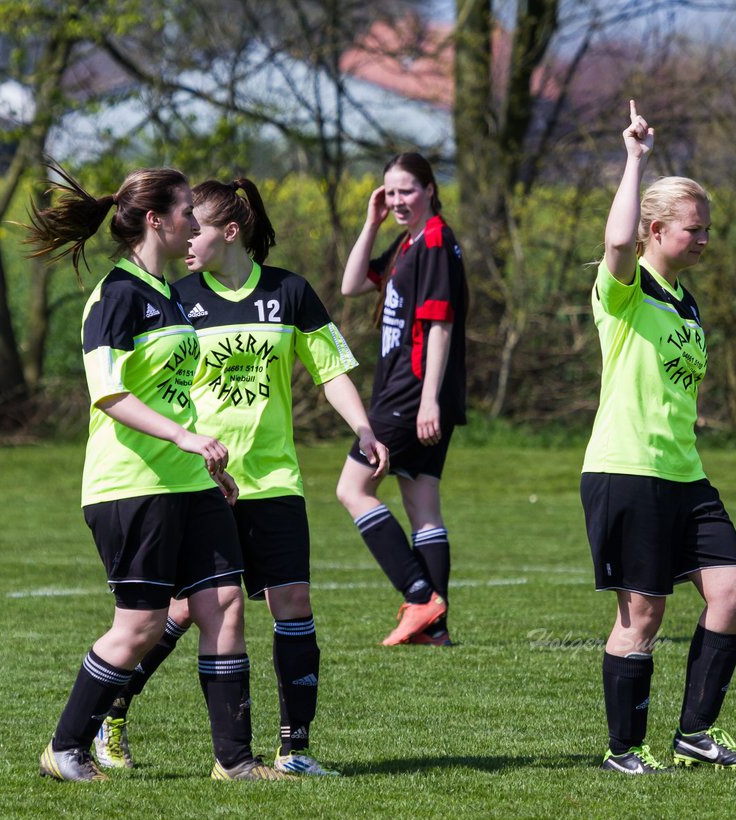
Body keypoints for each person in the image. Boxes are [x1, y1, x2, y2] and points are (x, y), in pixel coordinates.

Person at [92, 177, 389, 777]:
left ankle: (295, 749)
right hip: (200, 481)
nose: (187, 238)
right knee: (179, 612)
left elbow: (330, 370)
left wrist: (362, 428)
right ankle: (111, 715)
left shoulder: (291, 292)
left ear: (231, 232)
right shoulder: (174, 301)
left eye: (196, 227)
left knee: (294, 603)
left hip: (274, 479)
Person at [21, 165, 287, 782]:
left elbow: (170, 393)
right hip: (131, 486)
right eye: (187, 211)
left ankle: (235, 763)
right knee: (139, 625)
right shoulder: (116, 294)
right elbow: (109, 393)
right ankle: (64, 750)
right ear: (155, 220)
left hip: (188, 483)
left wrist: (204, 461)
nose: (195, 222)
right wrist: (185, 436)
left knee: (223, 603)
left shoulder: (165, 292)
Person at [581, 102, 736, 774]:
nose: (705, 238)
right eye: (694, 228)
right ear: (657, 229)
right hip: (628, 471)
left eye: (708, 227)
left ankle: (694, 734)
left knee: (733, 590)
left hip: (684, 474)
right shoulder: (627, 289)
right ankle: (623, 750)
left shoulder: (685, 301)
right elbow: (617, 244)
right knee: (643, 615)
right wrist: (634, 158)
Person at [335, 152, 468, 646]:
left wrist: (429, 399)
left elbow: (440, 324)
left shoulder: (434, 241)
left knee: (353, 489)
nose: (397, 201)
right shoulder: (406, 243)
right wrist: (370, 224)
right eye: (389, 193)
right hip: (411, 392)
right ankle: (435, 630)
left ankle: (419, 596)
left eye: (407, 190)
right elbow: (351, 286)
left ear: (430, 190)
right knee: (423, 505)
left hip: (411, 393)